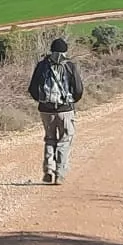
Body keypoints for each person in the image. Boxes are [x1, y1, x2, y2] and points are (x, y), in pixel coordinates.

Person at [27, 38, 85, 185]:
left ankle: (49, 170)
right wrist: (71, 102)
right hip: (65, 110)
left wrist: (42, 101)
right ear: (65, 51)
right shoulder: (70, 66)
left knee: (50, 139)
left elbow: (32, 88)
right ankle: (60, 173)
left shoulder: (42, 65)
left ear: (51, 50)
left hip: (46, 110)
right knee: (65, 140)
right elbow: (78, 89)